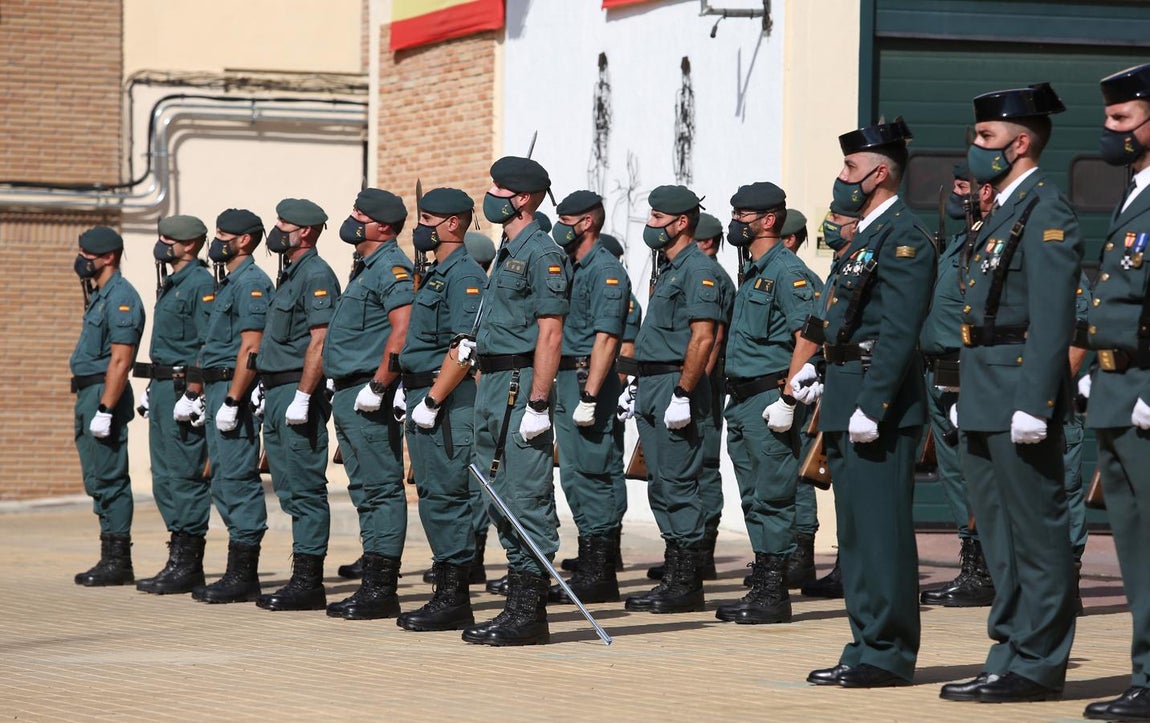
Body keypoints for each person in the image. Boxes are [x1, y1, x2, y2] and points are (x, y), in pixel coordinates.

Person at [941, 83, 1082, 704]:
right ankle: (1007, 650)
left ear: (1020, 143)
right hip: (983, 384)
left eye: (986, 138)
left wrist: (1038, 399)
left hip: (1019, 387)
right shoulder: (999, 209)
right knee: (997, 532)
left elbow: (1053, 317)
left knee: (1037, 534)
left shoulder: (1046, 208)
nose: (976, 148)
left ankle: (1039, 662)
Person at [806, 118, 936, 689]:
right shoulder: (864, 237)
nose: (842, 178)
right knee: (855, 538)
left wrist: (874, 404)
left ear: (879, 174)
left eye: (851, 169)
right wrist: (817, 370)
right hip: (845, 392)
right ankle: (863, 643)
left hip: (874, 402)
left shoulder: (905, 235)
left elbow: (901, 331)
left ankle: (888, 652)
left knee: (881, 534)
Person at [461, 156, 570, 646]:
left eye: (500, 190)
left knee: (525, 495)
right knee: (496, 491)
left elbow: (550, 334)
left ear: (523, 199)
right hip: (492, 382)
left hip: (520, 384)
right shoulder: (507, 250)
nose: (492, 197)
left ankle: (530, 612)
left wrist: (539, 402)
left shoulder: (542, 253)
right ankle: (515, 607)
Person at [716, 182, 821, 625]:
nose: (737, 223)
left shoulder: (785, 271)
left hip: (768, 397)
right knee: (754, 497)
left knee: (774, 496)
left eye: (745, 216)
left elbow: (808, 336)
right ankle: (764, 581)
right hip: (741, 400)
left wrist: (788, 397)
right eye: (736, 214)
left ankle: (774, 592)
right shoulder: (753, 270)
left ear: (769, 221)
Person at [1081, 62, 1150, 722]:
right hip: (1116, 388)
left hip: (1145, 391)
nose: (1109, 131)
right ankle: (1145, 675)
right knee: (1134, 545)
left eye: (1122, 120)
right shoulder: (1134, 192)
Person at [620, 185, 722, 615]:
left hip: (674, 385)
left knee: (678, 484)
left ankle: (686, 583)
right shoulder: (670, 267)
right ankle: (675, 573)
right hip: (652, 382)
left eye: (659, 218)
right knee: (661, 483)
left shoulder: (699, 270)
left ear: (682, 223)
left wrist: (683, 392)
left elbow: (705, 337)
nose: (651, 225)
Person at [395, 187, 489, 632]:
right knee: (433, 495)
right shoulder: (436, 273)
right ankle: (448, 592)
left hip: (446, 403)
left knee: (447, 497)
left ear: (454, 224)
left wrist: (432, 399)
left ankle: (454, 598)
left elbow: (463, 346)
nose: (422, 227)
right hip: (422, 394)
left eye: (429, 219)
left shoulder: (464, 274)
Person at [322, 189, 413, 620]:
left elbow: (403, 329)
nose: (352, 218)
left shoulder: (391, 268)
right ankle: (372, 581)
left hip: (367, 393)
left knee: (381, 490)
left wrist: (380, 385)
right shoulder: (365, 268)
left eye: (361, 214)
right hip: (347, 391)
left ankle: (381, 588)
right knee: (364, 490)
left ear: (382, 226)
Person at [255, 198, 341, 612]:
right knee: (288, 488)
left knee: (305, 488)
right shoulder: (289, 273)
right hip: (275, 390)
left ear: (305, 231)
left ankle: (308, 581)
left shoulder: (316, 274)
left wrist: (305, 397)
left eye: (284, 224)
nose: (276, 230)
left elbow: (319, 341)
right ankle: (302, 573)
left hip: (295, 389)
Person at [917, 164, 996, 608]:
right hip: (939, 372)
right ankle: (972, 565)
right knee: (953, 473)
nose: (955, 193)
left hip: (970, 373)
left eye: (963, 186)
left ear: (986, 192)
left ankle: (984, 569)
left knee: (977, 473)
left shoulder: (992, 244)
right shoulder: (956, 246)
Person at [548, 190, 630, 605]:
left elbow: (606, 338)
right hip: (565, 377)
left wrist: (591, 394)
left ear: (587, 223)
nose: (560, 225)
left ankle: (599, 571)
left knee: (594, 474)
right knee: (574, 475)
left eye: (567, 219)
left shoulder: (604, 269)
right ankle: (590, 560)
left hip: (585, 378)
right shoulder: (570, 264)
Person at [191, 209, 274, 604]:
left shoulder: (251, 283)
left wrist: (233, 399)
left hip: (232, 388)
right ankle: (236, 570)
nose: (217, 240)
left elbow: (251, 347)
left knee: (237, 479)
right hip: (217, 385)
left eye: (224, 234)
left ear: (244, 240)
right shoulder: (227, 283)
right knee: (222, 479)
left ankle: (244, 573)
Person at [134, 215, 214, 595]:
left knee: (185, 473)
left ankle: (188, 562)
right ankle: (177, 553)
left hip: (185, 385)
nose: (162, 244)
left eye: (170, 239)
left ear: (190, 244)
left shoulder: (199, 284)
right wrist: (153, 385)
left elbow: (206, 341)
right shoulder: (172, 283)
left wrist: (195, 392)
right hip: (164, 383)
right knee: (164, 474)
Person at [70, 226, 146, 586]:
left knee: (110, 478)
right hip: (89, 393)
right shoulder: (100, 294)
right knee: (96, 478)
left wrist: (105, 408)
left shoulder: (120, 297)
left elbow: (120, 360)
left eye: (88, 255)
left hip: (104, 394)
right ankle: (108, 555)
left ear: (108, 258)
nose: (82, 261)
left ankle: (118, 560)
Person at [798, 201, 860, 601]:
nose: (830, 224)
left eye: (839, 219)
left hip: (861, 381)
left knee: (862, 485)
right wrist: (815, 366)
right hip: (836, 378)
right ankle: (847, 565)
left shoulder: (864, 263)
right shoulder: (840, 266)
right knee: (844, 486)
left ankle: (858, 568)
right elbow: (824, 328)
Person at [777, 208, 818, 588]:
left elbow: (804, 339)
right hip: (784, 388)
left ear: (788, 239)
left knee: (799, 468)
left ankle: (801, 556)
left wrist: (790, 392)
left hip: (796, 389)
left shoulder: (795, 277)